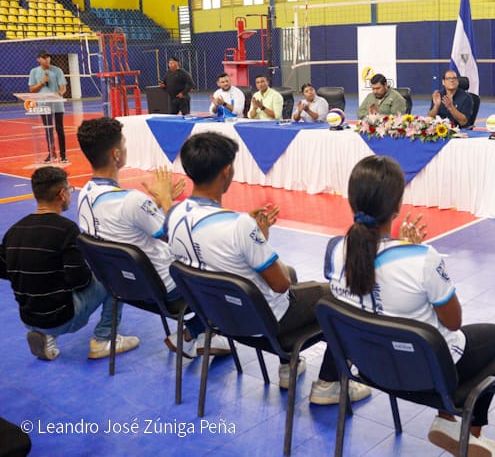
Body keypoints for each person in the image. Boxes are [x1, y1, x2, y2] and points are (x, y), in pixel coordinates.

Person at [326, 155, 495, 456]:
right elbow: (453, 321)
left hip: (369, 367)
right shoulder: (422, 258)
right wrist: (415, 251)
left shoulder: (336, 250)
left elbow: (375, 285)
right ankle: (465, 434)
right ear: (397, 206)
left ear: (352, 201)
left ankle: (450, 423)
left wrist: (403, 248)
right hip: (427, 374)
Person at [165, 131, 370, 404]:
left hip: (217, 313)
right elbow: (280, 284)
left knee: (292, 272)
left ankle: (289, 365)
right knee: (341, 295)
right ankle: (329, 383)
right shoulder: (239, 226)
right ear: (226, 172)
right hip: (258, 319)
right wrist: (258, 238)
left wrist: (254, 239)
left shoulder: (174, 215)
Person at [76, 117, 229, 358]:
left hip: (120, 284)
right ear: (116, 154)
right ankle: (192, 333)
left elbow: (122, 224)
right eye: (124, 145)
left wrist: (154, 203)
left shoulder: (84, 195)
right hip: (162, 287)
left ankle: (200, 335)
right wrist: (166, 200)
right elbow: (178, 238)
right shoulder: (134, 201)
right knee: (219, 262)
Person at [0, 166, 139, 360]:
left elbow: (5, 270)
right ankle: (105, 338)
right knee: (113, 277)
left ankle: (47, 334)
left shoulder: (14, 231)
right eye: (70, 190)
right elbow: (80, 281)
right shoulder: (66, 230)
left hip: (28, 317)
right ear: (62, 194)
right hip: (62, 317)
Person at [28, 49, 67, 163]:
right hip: (43, 104)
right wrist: (41, 83)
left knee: (59, 128)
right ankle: (51, 154)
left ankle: (63, 155)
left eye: (48, 57)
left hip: (57, 104)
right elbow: (32, 90)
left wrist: (59, 93)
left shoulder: (57, 70)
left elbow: (63, 87)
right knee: (48, 129)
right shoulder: (34, 72)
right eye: (44, 57)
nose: (47, 59)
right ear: (38, 59)